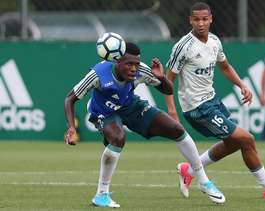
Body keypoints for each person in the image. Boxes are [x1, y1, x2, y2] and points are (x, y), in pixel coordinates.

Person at [64, 42, 225, 208]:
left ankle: (203, 181)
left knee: (177, 129)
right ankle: (101, 195)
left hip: (131, 106)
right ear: (116, 61)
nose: (134, 69)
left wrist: (161, 77)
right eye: (129, 64)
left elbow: (168, 90)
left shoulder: (142, 70)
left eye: (136, 64)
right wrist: (71, 127)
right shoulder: (98, 74)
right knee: (118, 138)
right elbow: (70, 99)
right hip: (104, 113)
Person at [165, 2, 265, 200]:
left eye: (204, 19)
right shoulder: (184, 46)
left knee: (234, 143)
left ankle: (189, 170)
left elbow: (225, 67)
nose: (201, 23)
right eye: (196, 19)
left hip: (212, 100)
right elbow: (168, 80)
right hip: (197, 107)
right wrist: (172, 112)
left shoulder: (215, 41)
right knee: (247, 139)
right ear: (190, 20)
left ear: (211, 19)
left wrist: (242, 85)